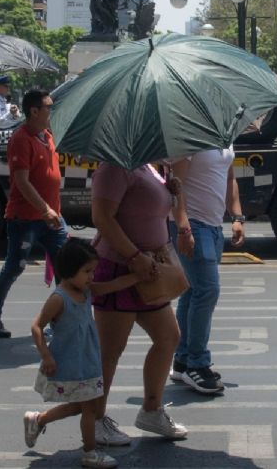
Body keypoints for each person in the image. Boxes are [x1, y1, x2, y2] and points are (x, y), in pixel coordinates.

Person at [89, 162, 188, 446]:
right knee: (110, 351)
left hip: (150, 271)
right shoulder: (113, 167)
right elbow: (102, 218)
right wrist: (134, 256)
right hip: (121, 268)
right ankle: (95, 420)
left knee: (168, 337)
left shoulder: (149, 167)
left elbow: (144, 209)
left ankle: (151, 410)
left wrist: (171, 193)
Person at [25, 238, 142, 469]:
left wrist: (138, 277)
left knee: (80, 407)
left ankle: (38, 419)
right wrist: (46, 355)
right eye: (87, 271)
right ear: (69, 271)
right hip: (70, 362)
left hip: (87, 360)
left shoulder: (86, 291)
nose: (92, 276)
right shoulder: (60, 299)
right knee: (89, 408)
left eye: (93, 271)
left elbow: (112, 285)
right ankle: (89, 453)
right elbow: (36, 326)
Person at [0, 90, 66, 339]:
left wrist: (51, 211)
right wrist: (44, 209)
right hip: (25, 218)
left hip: (52, 217)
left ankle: (62, 321)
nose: (52, 111)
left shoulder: (46, 136)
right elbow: (22, 181)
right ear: (34, 111)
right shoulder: (21, 139)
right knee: (14, 266)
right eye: (48, 107)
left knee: (66, 268)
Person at [167, 147, 245, 394]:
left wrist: (237, 216)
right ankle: (197, 364)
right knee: (208, 290)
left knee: (192, 292)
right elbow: (176, 184)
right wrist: (182, 226)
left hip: (213, 226)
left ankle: (183, 360)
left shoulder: (225, 137)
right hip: (194, 225)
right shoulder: (190, 136)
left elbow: (230, 177)